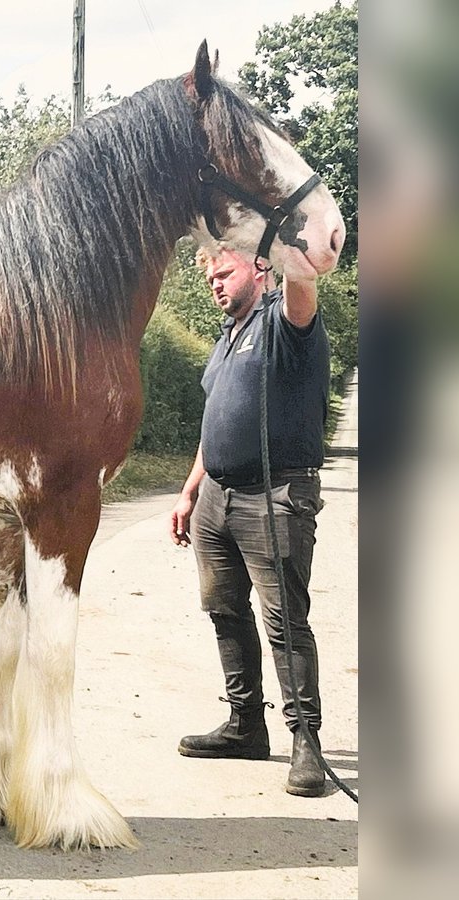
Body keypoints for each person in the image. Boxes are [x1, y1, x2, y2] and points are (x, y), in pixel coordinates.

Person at [169, 245, 330, 797]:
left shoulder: (286, 321)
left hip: (277, 491)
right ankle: (245, 726)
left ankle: (306, 743)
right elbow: (216, 419)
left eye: (224, 273)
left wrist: (287, 244)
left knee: (285, 619)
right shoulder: (227, 336)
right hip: (217, 495)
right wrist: (191, 492)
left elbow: (303, 284)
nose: (214, 284)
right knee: (224, 610)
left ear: (259, 268)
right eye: (209, 276)